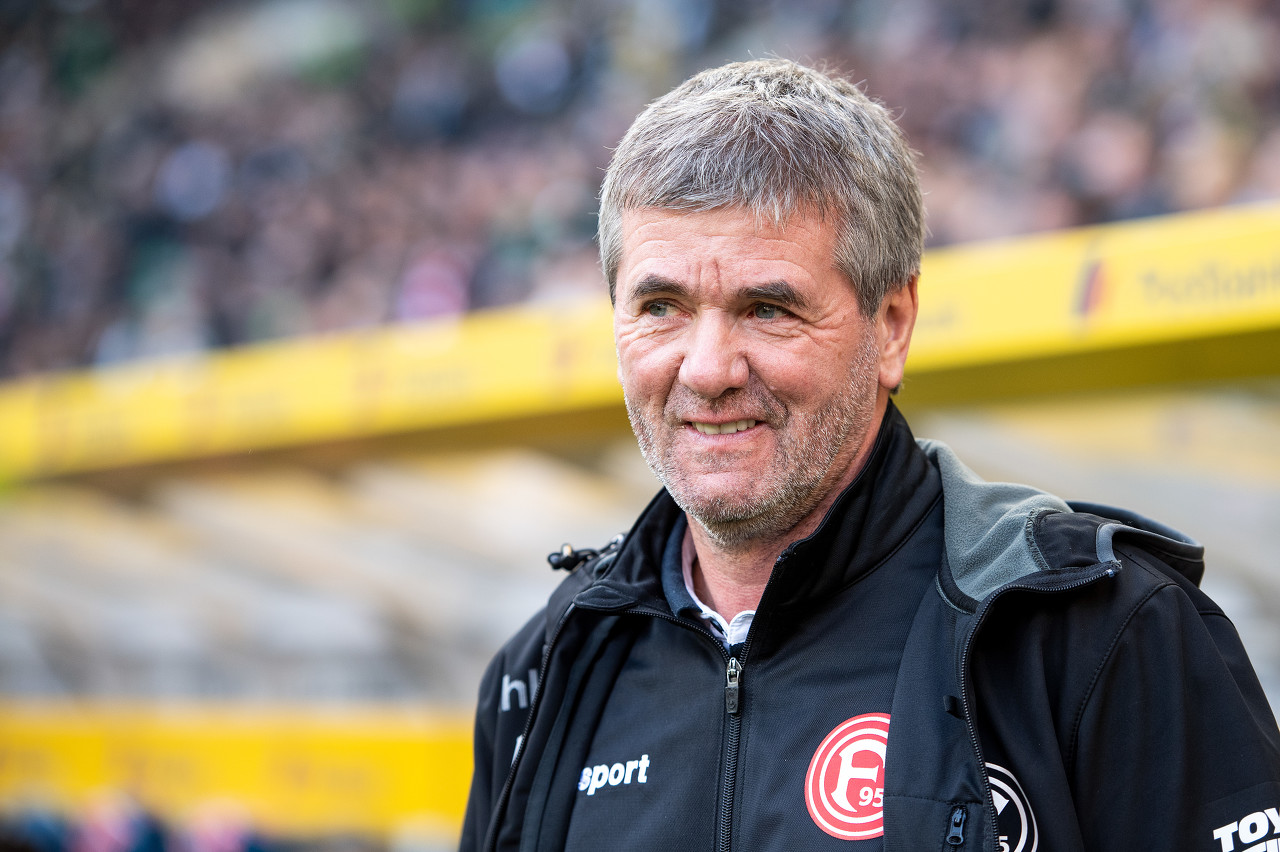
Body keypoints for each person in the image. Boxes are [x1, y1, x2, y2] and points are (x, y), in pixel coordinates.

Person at [459, 59, 1280, 852]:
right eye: (661, 306)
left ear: (891, 326)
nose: (706, 370)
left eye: (767, 309)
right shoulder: (545, 672)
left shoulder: (1100, 632)